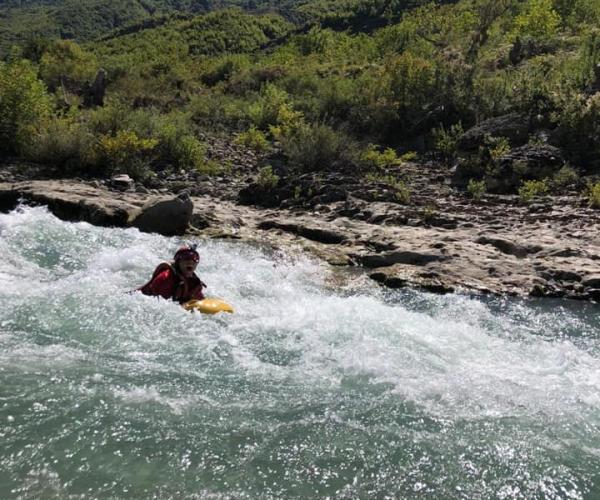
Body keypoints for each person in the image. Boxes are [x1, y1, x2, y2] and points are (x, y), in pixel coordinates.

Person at [139, 244, 206, 303]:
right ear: (178, 262)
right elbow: (158, 304)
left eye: (195, 258)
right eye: (186, 258)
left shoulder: (194, 282)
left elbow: (201, 299)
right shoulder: (165, 277)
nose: (191, 261)